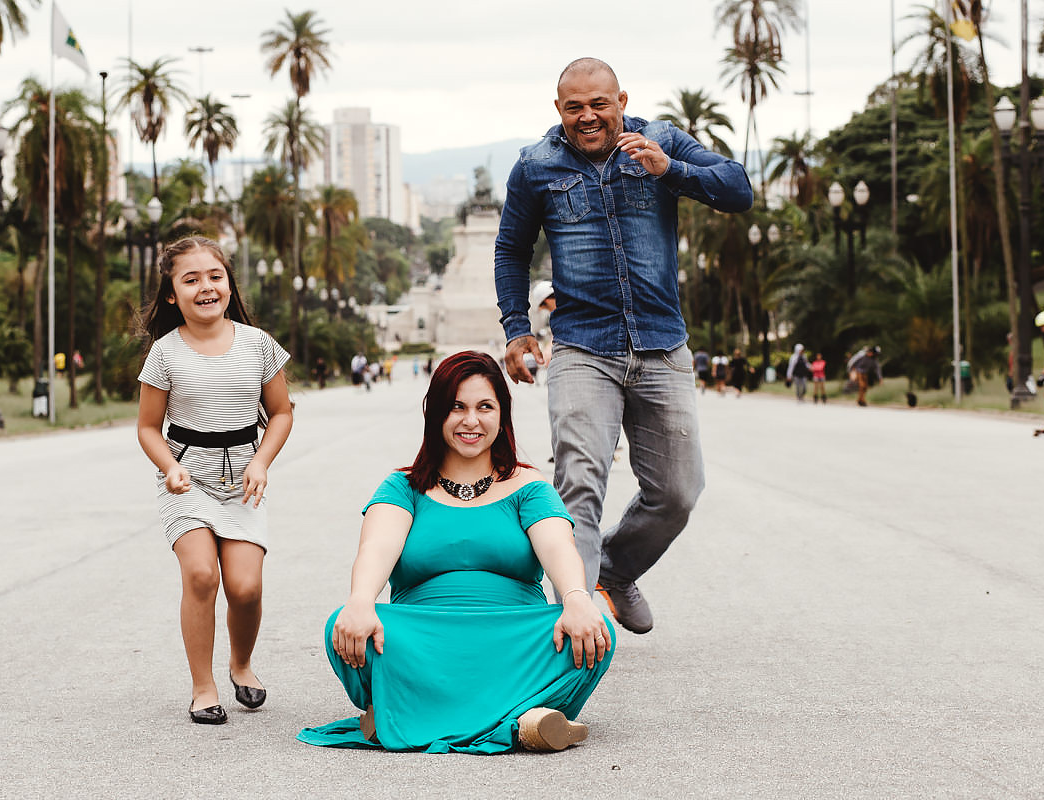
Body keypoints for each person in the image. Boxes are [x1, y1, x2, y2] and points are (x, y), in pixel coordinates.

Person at [494, 57, 752, 634]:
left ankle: (612, 570)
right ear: (557, 108)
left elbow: (738, 190)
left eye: (599, 104)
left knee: (679, 493)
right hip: (584, 347)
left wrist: (672, 171)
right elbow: (511, 250)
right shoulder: (536, 165)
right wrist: (516, 329)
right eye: (574, 107)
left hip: (662, 346)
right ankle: (577, 620)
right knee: (579, 485)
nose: (587, 117)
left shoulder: (661, 140)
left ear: (621, 100)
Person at [298, 352, 614, 753]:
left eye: (485, 407)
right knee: (342, 627)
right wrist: (361, 600)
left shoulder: (528, 485)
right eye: (456, 407)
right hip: (423, 642)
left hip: (511, 638)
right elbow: (377, 546)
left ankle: (405, 716)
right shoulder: (403, 487)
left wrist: (575, 597)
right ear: (436, 414)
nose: (471, 420)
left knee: (593, 631)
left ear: (503, 414)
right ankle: (521, 719)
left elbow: (558, 545)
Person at [135, 236, 294, 725]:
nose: (205, 287)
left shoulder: (258, 343)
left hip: (243, 482)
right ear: (171, 294)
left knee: (245, 587)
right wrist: (169, 467)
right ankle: (202, 687)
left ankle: (240, 663)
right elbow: (147, 427)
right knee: (202, 575)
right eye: (191, 279)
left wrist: (262, 461)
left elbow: (282, 413)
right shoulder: (164, 354)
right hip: (186, 482)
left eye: (215, 276)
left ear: (228, 282)